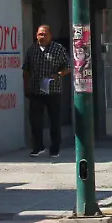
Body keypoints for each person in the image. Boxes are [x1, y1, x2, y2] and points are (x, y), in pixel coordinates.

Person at [22, 25, 71, 158]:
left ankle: (55, 148)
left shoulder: (58, 49)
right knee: (35, 120)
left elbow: (68, 67)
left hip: (53, 90)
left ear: (50, 35)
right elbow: (26, 69)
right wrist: (26, 87)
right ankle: (37, 147)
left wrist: (58, 74)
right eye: (39, 34)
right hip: (36, 90)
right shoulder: (32, 50)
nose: (42, 37)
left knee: (54, 120)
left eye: (44, 34)